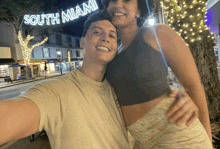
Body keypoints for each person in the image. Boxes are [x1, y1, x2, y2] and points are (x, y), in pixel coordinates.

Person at [0, 10, 204, 149]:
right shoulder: (57, 91)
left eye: (112, 35)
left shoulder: (120, 90)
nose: (105, 38)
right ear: (83, 41)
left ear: (117, 47)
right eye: (97, 32)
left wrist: (180, 98)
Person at [101, 0, 213, 148]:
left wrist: (207, 138)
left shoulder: (158, 34)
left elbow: (194, 86)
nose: (118, 4)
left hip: (179, 136)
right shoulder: (111, 52)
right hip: (143, 142)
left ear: (138, 10)